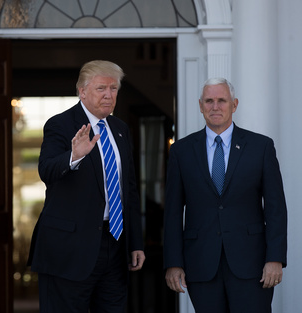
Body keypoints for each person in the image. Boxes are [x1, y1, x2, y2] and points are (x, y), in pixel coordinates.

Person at [27, 60, 146, 313]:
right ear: (82, 91)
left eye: (114, 88)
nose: (108, 95)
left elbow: (130, 191)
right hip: (69, 250)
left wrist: (135, 242)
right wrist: (74, 156)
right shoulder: (60, 124)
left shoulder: (120, 129)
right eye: (101, 88)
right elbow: (46, 171)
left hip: (114, 245)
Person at [163, 77, 287, 313]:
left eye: (222, 100)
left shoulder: (260, 147)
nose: (215, 106)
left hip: (252, 265)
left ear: (234, 104)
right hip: (201, 264)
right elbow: (172, 211)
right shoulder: (181, 151)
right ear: (200, 106)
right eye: (209, 101)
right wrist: (173, 262)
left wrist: (275, 258)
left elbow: (276, 208)